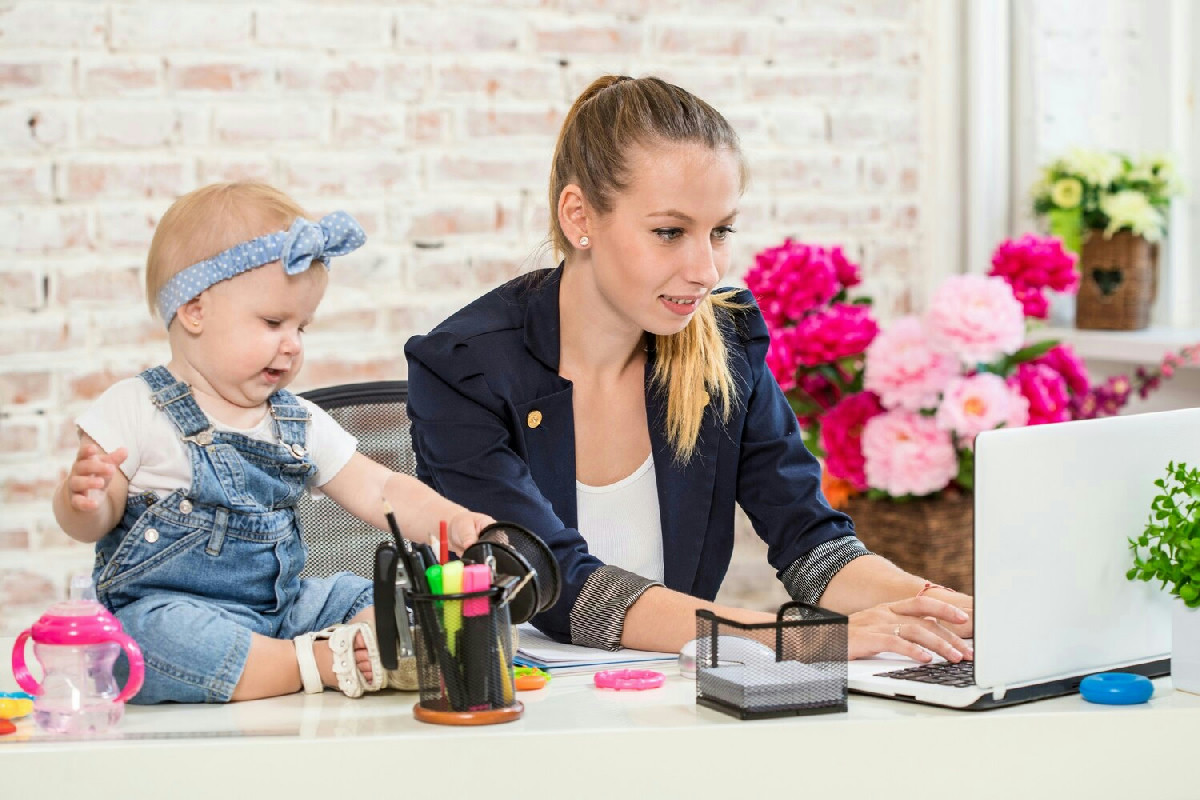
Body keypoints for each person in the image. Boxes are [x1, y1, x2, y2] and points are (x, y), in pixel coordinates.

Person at [405, 75, 974, 662]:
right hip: (515, 702)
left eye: (720, 231)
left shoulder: (722, 347)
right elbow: (559, 587)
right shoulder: (463, 370)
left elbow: (812, 545)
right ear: (579, 217)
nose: (705, 270)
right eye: (669, 232)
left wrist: (947, 609)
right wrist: (804, 639)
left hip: (677, 698)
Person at [52, 182, 493, 704]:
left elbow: (381, 489)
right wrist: (84, 499)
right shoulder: (135, 408)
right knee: (143, 639)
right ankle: (323, 663)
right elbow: (91, 524)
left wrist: (457, 521)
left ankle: (352, 652)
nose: (292, 345)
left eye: (302, 327)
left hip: (285, 613)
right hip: (177, 609)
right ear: (194, 311)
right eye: (273, 322)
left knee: (372, 594)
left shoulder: (298, 421)